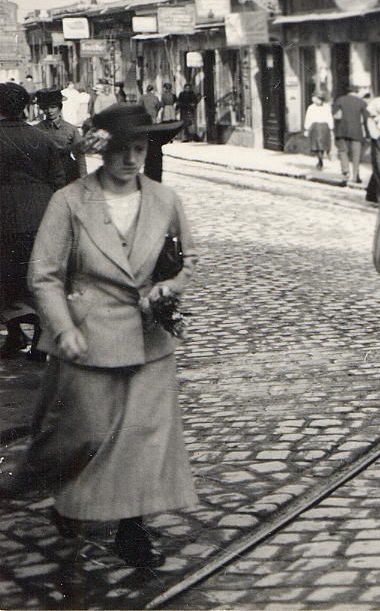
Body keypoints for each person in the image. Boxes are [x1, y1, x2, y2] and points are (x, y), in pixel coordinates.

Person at [7, 103, 196, 567]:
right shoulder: (70, 202)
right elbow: (44, 275)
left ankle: (133, 528)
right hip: (89, 336)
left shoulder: (165, 201)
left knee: (142, 438)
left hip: (149, 342)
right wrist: (63, 326)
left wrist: (166, 290)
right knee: (87, 434)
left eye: (139, 148)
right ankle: (68, 497)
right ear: (100, 150)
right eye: (120, 150)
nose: (131, 160)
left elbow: (185, 262)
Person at [1, 83, 66, 358]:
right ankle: (40, 339)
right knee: (36, 277)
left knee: (6, 279)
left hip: (4, 219)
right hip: (41, 216)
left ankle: (14, 335)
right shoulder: (42, 139)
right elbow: (59, 180)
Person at [33, 88, 87, 183]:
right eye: (45, 108)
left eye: (53, 107)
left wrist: (84, 178)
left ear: (60, 107)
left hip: (67, 173)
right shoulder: (36, 129)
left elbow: (80, 155)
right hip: (44, 173)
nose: (49, 111)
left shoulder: (70, 129)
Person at [332, 84, 370, 186]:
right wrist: (368, 134)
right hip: (356, 132)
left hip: (341, 131)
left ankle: (346, 173)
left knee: (343, 152)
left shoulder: (340, 100)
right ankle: (355, 176)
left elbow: (334, 114)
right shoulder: (361, 102)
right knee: (356, 155)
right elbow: (367, 119)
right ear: (356, 92)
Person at [304, 92, 333, 171]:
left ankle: (320, 160)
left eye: (317, 98)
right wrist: (306, 129)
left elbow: (329, 117)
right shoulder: (312, 107)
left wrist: (331, 128)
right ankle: (320, 159)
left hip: (321, 127)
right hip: (317, 127)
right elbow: (308, 118)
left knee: (320, 145)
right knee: (318, 145)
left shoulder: (325, 107)